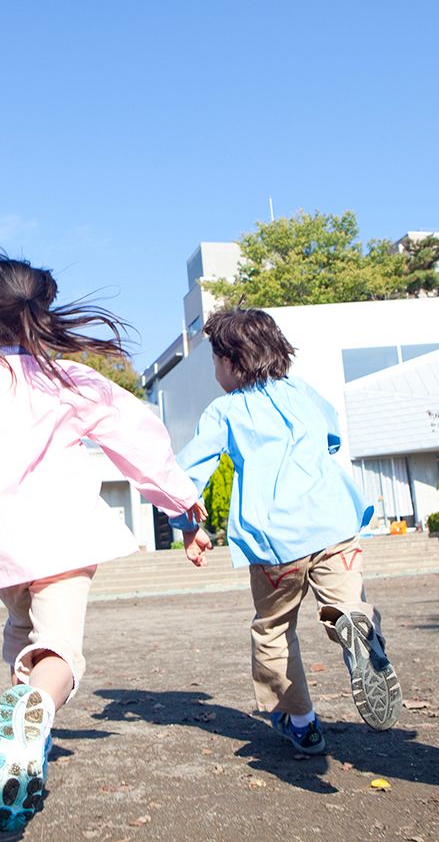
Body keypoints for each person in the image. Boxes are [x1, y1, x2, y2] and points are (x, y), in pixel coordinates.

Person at [0, 256, 204, 832]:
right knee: (59, 653)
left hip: (0, 551)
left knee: (22, 639)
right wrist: (181, 506)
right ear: (39, 318)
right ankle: (37, 713)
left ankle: (25, 745)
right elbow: (140, 440)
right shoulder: (67, 380)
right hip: (62, 538)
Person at [172, 308, 401, 755]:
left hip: (276, 540)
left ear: (232, 362)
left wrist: (187, 525)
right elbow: (330, 436)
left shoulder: (225, 410)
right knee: (345, 599)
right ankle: (354, 622)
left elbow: (186, 474)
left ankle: (302, 721)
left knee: (274, 628)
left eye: (216, 361)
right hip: (335, 524)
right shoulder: (302, 392)